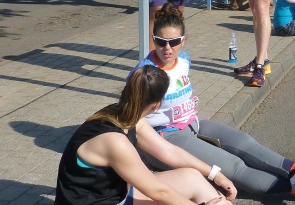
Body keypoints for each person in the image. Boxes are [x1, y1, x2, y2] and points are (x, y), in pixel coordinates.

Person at [132, 4, 295, 203]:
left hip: (192, 124)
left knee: (244, 143)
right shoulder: (145, 74)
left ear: (183, 40)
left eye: (174, 41)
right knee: (234, 166)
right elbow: (131, 117)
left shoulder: (184, 59)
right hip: (165, 138)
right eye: (161, 42)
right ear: (154, 39)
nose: (167, 48)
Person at [55, 65, 235, 205]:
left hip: (119, 196)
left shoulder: (123, 115)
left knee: (194, 178)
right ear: (156, 105)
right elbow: (158, 192)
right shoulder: (115, 142)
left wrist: (214, 174)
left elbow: (170, 152)